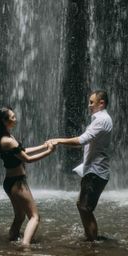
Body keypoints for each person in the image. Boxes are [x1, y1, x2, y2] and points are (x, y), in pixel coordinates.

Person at [48, 90, 113, 241]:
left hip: (96, 172)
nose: (89, 105)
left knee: (85, 208)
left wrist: (58, 140)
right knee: (82, 205)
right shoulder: (100, 119)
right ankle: (90, 237)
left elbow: (82, 140)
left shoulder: (101, 120)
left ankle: (92, 242)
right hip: (93, 170)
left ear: (101, 103)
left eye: (92, 102)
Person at [0, 106, 54, 246]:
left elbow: (23, 151)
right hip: (17, 183)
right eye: (13, 117)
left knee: (20, 216)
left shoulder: (8, 137)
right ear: (4, 121)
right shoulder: (7, 140)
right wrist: (49, 152)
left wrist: (43, 146)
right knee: (35, 217)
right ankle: (25, 248)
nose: (16, 119)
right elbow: (27, 158)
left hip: (11, 182)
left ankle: (11, 240)